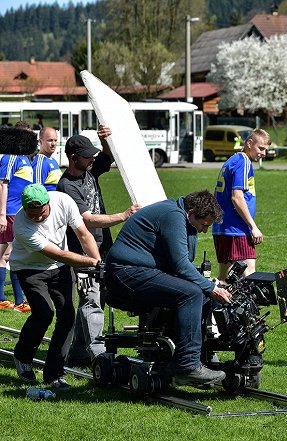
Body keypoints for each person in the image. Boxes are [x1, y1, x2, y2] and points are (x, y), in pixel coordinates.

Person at [104, 190, 231, 387]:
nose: (205, 230)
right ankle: (187, 366)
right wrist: (210, 287)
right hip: (125, 272)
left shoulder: (182, 216)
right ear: (191, 213)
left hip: (141, 270)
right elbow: (180, 265)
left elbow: (181, 263)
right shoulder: (173, 215)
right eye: (204, 224)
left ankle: (195, 358)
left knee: (203, 295)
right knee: (192, 294)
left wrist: (209, 288)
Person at [57, 126, 141, 368]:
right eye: (86, 155)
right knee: (90, 298)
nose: (92, 158)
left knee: (100, 296)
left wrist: (105, 141)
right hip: (82, 251)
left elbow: (107, 158)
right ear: (74, 158)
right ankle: (98, 355)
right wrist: (124, 215)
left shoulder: (89, 171)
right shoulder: (67, 186)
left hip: (103, 246)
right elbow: (87, 219)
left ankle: (80, 352)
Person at [11, 184, 101, 389]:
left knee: (67, 315)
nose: (38, 219)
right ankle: (22, 356)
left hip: (60, 268)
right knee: (44, 313)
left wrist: (98, 262)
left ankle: (54, 374)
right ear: (25, 209)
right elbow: (56, 253)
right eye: (32, 215)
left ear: (48, 203)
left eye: (41, 214)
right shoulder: (21, 224)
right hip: (29, 268)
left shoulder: (63, 201)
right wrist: (90, 262)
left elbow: (84, 234)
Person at [212, 128, 271, 280]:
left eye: (266, 150)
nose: (263, 153)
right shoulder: (244, 162)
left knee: (223, 279)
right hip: (236, 228)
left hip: (221, 228)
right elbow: (237, 197)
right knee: (249, 276)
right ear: (249, 143)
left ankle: (217, 304)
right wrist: (253, 226)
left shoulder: (231, 160)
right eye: (261, 148)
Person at [0, 122, 35, 313]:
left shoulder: (25, 159)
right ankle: (18, 301)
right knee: (10, 255)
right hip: (11, 213)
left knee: (9, 255)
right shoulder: (10, 158)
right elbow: (2, 185)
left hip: (19, 212)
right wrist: (2, 215)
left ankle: (11, 300)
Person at [32, 127, 62, 191]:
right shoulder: (40, 162)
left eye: (55, 140)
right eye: (50, 140)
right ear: (40, 142)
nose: (53, 144)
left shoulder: (52, 160)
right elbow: (37, 192)